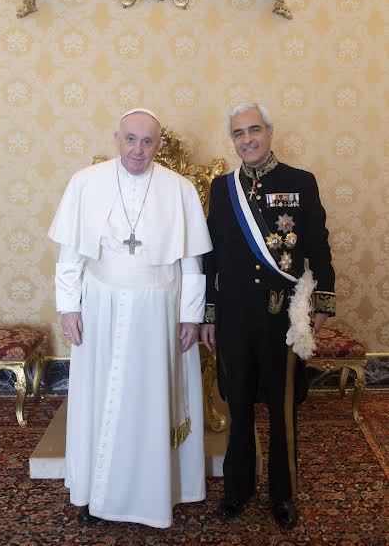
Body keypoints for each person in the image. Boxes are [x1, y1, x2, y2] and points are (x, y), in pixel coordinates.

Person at [49, 108, 212, 529]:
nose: (138, 149)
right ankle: (94, 492)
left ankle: (157, 495)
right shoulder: (86, 183)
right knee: (100, 399)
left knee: (151, 401)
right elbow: (71, 254)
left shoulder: (179, 189)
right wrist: (69, 306)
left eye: (147, 141)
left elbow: (192, 262)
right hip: (100, 307)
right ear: (116, 139)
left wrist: (190, 316)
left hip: (158, 311)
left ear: (159, 145)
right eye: (131, 139)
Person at [201, 102, 335, 528]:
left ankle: (283, 493)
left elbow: (318, 244)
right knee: (238, 404)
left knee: (282, 406)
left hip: (282, 315)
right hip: (234, 315)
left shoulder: (300, 182)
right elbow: (211, 255)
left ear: (269, 133)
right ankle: (237, 490)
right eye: (238, 133)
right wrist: (208, 313)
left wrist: (323, 301)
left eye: (254, 130)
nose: (247, 140)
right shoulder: (223, 188)